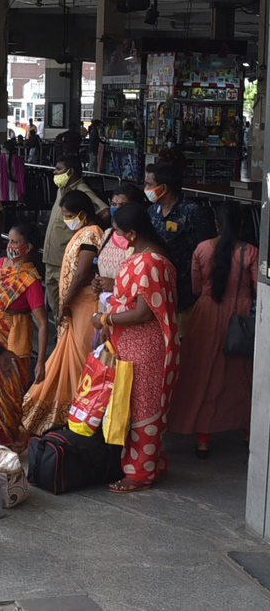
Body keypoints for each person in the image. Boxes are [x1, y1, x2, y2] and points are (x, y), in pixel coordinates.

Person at [93, 203, 180, 493]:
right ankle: (151, 462)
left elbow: (143, 313)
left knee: (143, 408)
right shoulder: (144, 255)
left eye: (118, 233)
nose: (115, 238)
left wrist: (105, 318)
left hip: (145, 346)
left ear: (131, 234)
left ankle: (140, 474)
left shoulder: (151, 262)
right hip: (132, 345)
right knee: (136, 404)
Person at [167, 202, 255, 458]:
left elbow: (195, 288)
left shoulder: (202, 249)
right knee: (241, 377)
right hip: (239, 320)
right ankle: (249, 431)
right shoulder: (251, 252)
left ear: (216, 224)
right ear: (240, 225)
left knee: (203, 375)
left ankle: (203, 439)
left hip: (206, 315)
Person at [21, 190, 106, 437]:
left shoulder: (92, 234)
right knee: (71, 357)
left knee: (81, 359)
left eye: (69, 215)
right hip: (77, 305)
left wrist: (64, 304)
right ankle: (71, 412)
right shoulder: (84, 232)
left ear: (83, 213)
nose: (67, 219)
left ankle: (81, 414)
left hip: (84, 305)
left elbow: (81, 274)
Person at [0, 223, 48, 452]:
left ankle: (6, 443)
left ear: (28, 247)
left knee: (10, 399)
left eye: (15, 242)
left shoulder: (31, 280)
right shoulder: (1, 264)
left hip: (14, 345)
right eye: (8, 241)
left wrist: (41, 362)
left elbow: (43, 323)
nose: (9, 246)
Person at [42, 155, 108, 330]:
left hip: (66, 259)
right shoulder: (61, 189)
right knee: (55, 306)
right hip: (52, 257)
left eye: (58, 169)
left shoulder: (81, 191)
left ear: (70, 172)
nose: (55, 173)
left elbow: (104, 211)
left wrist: (83, 234)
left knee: (65, 310)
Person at [145, 162, 214, 314]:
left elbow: (205, 253)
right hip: (157, 283)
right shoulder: (151, 211)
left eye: (149, 184)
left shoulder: (192, 212)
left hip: (185, 288)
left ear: (163, 188)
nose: (146, 189)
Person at [0, 139, 26, 207]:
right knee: (13, 197)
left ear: (5, 148)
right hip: (14, 180)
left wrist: (0, 172)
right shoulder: (18, 159)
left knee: (2, 197)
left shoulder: (1, 157)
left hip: (2, 180)